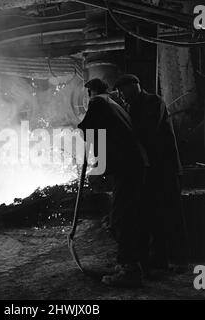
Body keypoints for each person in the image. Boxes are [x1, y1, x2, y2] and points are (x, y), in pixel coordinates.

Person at [78, 78, 149, 287]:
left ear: (90, 91)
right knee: (128, 214)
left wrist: (81, 129)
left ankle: (129, 271)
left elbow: (88, 129)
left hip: (126, 165)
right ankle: (130, 263)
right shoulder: (113, 101)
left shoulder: (98, 102)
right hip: (134, 163)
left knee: (121, 217)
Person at [114, 74, 188, 272]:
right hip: (152, 171)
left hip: (165, 169)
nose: (120, 95)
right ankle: (159, 259)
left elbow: (147, 131)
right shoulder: (133, 106)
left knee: (169, 215)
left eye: (122, 90)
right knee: (153, 215)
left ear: (133, 87)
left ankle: (177, 260)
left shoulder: (153, 102)